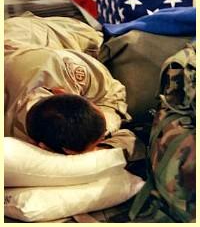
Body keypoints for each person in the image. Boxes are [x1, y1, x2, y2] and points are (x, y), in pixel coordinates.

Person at [5, 12, 141, 159]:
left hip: (51, 33)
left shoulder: (64, 66)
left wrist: (106, 129)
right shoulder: (14, 139)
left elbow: (112, 95)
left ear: (60, 91)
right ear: (42, 147)